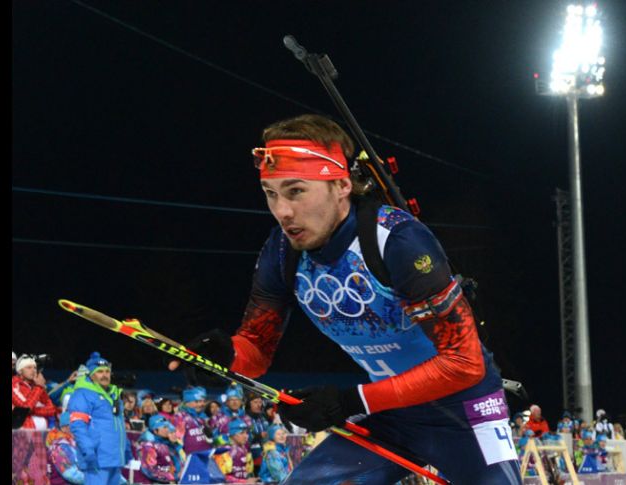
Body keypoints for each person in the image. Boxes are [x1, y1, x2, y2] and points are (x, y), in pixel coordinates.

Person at [172, 114, 520, 483]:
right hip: (391, 413)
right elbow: (256, 348)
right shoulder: (280, 250)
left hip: (462, 411)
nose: (282, 211)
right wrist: (225, 355)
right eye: (270, 194)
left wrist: (349, 402)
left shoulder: (397, 241)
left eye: (296, 191)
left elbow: (464, 364)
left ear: (340, 185)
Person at [68, 352, 133, 485]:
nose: (104, 375)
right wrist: (88, 450)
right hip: (97, 458)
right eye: (100, 372)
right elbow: (78, 425)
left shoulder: (114, 394)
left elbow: (119, 424)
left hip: (115, 458)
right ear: (91, 375)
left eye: (107, 371)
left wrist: (125, 448)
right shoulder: (82, 394)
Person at [12, 354, 59, 430]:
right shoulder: (14, 384)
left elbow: (52, 409)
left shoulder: (36, 386)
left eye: (34, 368)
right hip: (23, 433)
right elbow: (25, 408)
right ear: (20, 371)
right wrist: (39, 387)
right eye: (29, 367)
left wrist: (32, 411)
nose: (33, 370)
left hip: (41, 434)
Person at [136, 414, 186, 484]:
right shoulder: (148, 446)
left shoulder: (167, 441)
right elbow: (150, 470)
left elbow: (179, 461)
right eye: (164, 427)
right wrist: (174, 476)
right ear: (155, 431)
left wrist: (175, 444)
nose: (168, 429)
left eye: (168, 426)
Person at [46, 411, 85, 485]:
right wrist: (92, 479)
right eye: (76, 425)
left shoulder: (74, 443)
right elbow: (70, 474)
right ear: (65, 428)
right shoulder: (58, 448)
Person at [213, 419, 258, 483]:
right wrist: (244, 482)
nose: (246, 436)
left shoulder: (245, 449)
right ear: (232, 434)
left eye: (246, 433)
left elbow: (248, 473)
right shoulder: (224, 451)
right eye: (241, 433)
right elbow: (221, 477)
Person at [172, 387, 212, 454]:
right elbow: (177, 441)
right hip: (191, 459)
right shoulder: (180, 417)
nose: (201, 404)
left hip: (207, 456)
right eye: (197, 401)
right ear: (187, 403)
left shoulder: (202, 417)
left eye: (203, 401)